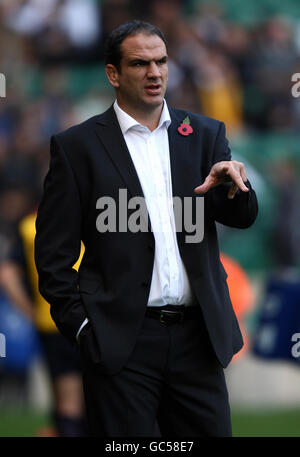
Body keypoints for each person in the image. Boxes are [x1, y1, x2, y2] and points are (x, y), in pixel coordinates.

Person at [34, 20, 258, 437]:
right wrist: (85, 328)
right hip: (120, 341)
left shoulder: (206, 134)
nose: (155, 73)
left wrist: (235, 189)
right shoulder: (76, 147)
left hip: (198, 340)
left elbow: (241, 218)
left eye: (161, 62)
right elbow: (53, 256)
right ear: (113, 74)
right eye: (140, 64)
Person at [0, 211, 88, 436]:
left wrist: (33, 312)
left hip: (53, 321)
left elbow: (8, 274)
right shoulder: (96, 215)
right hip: (98, 320)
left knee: (67, 400)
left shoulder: (31, 224)